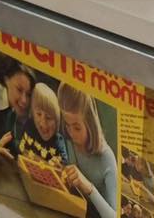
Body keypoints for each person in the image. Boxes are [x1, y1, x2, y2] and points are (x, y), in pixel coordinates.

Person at [58, 84, 117, 218]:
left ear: (90, 124)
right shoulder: (69, 140)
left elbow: (114, 216)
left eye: (77, 128)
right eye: (67, 125)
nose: (71, 133)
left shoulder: (106, 158)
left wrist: (89, 189)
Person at [0, 56, 35, 163]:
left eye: (28, 94)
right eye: (19, 89)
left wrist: (29, 156)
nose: (24, 100)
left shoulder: (10, 110)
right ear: (6, 79)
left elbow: (9, 141)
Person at [19, 82, 70, 167]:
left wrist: (58, 164)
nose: (43, 122)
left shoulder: (58, 142)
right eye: (38, 114)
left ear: (57, 120)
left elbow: (64, 164)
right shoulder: (29, 126)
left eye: (48, 117)